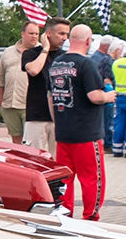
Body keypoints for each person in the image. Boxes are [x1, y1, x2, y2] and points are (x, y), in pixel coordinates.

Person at [47, 23, 114, 220]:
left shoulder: (56, 64)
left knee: (65, 178)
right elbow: (94, 96)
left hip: (64, 131)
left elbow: (51, 97)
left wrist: (58, 122)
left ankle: (65, 213)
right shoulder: (86, 64)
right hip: (87, 132)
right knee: (91, 178)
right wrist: (108, 97)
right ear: (88, 41)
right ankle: (90, 217)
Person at [21, 17, 68, 156]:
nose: (64, 38)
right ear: (48, 34)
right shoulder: (30, 53)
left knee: (59, 161)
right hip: (36, 116)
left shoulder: (66, 57)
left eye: (67, 34)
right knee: (34, 160)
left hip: (59, 117)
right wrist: (46, 48)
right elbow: (34, 70)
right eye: (61, 33)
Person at [0, 22, 38, 143]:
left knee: (31, 142)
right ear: (23, 34)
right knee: (16, 142)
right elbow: (0, 81)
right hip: (9, 105)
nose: (34, 36)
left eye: (36, 34)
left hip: (30, 106)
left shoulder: (41, 53)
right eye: (31, 33)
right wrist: (1, 105)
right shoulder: (8, 52)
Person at [89, 34, 117, 152]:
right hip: (103, 92)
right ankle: (107, 143)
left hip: (97, 91)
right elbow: (106, 76)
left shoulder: (94, 58)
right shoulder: (104, 59)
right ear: (108, 47)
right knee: (107, 119)